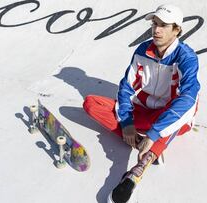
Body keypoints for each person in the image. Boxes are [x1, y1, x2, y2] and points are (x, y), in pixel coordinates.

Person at [83, 3, 200, 203]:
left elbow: (188, 99)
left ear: (177, 30)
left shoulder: (186, 58)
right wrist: (127, 124)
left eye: (164, 25)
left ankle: (139, 168)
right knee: (91, 103)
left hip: (166, 117)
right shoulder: (143, 50)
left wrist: (154, 132)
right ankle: (146, 145)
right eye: (155, 23)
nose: (157, 29)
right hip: (143, 110)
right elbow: (126, 87)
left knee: (182, 111)